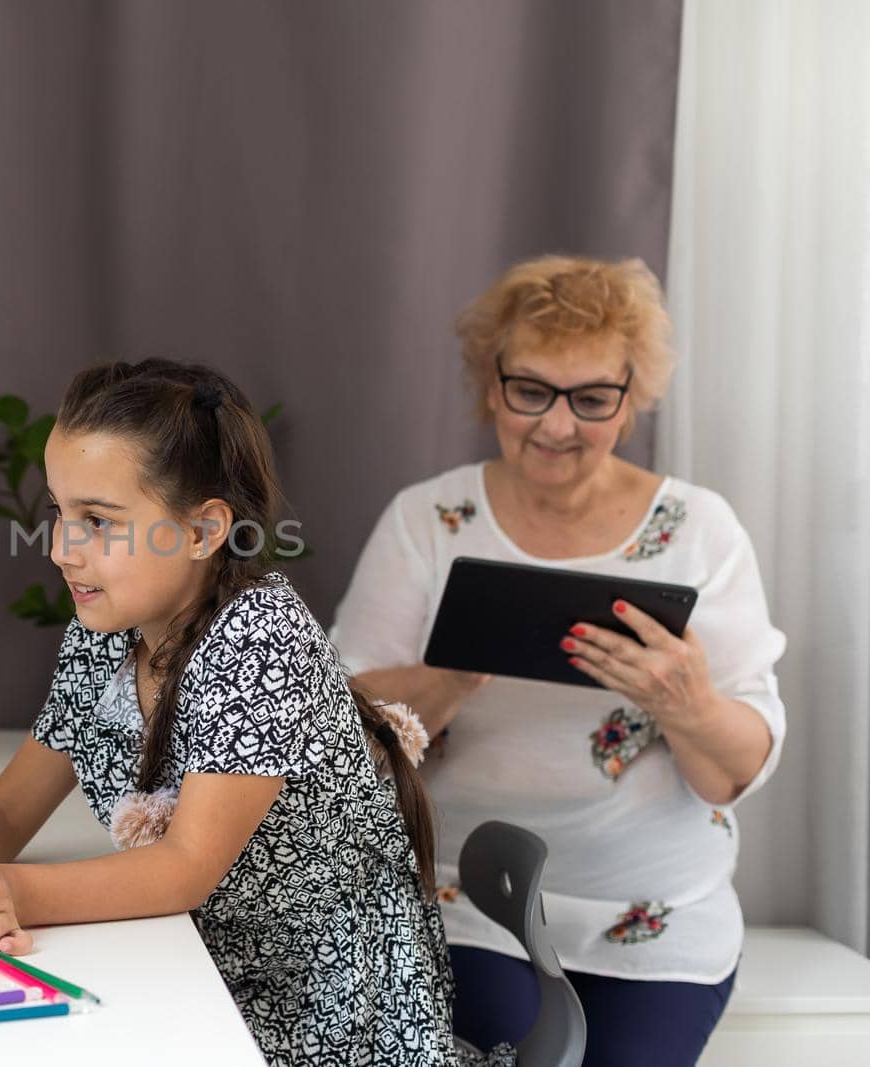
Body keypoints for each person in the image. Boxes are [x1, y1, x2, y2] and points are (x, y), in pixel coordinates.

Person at [0, 359, 477, 1064]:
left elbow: (184, 867)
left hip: (324, 1015)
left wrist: (15, 890)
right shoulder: (106, 632)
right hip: (197, 966)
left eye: (98, 521)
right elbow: (7, 810)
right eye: (59, 511)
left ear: (202, 530)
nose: (62, 548)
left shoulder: (263, 639)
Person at [332, 256, 786, 1066]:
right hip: (466, 905)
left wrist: (688, 702)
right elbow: (339, 738)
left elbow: (733, 770)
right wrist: (452, 674)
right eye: (530, 390)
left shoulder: (699, 530)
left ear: (631, 393)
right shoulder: (429, 519)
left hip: (660, 916)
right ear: (491, 381)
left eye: (591, 398)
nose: (556, 424)